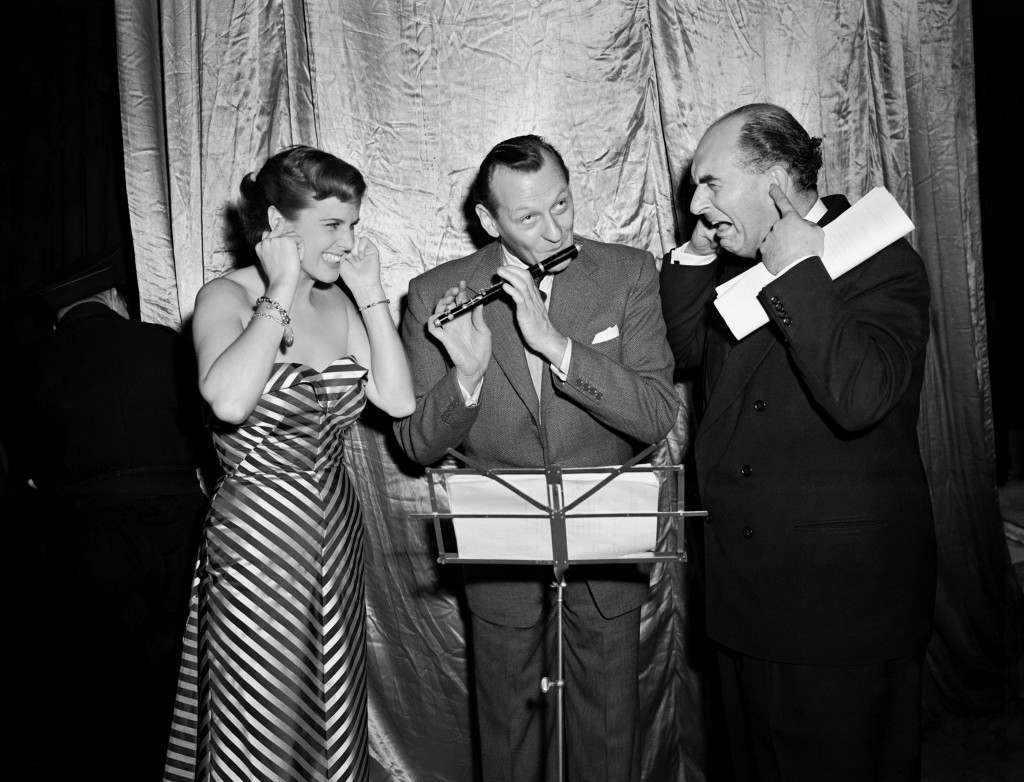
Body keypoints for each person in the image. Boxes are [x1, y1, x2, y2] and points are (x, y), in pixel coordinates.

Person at [659, 104, 936, 781]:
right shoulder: (736, 266)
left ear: (776, 181)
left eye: (711, 184)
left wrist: (798, 274)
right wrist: (699, 252)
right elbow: (684, 349)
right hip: (747, 598)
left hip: (835, 610)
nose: (696, 203)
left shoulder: (880, 258)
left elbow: (861, 396)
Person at [394, 134, 678, 781]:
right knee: (508, 736)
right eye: (528, 217)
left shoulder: (629, 272)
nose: (554, 230)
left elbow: (658, 414)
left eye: (563, 204)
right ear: (488, 220)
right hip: (500, 547)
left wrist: (557, 347)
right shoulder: (433, 293)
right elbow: (415, 444)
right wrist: (466, 377)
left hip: (607, 539)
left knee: (608, 734)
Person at [163, 145, 415, 782]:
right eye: (332, 225)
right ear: (277, 224)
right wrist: (278, 288)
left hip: (335, 532)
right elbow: (228, 400)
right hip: (258, 541)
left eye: (353, 224)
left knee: (333, 704)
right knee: (260, 715)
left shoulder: (337, 303)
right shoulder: (224, 296)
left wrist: (371, 295)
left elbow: (398, 399)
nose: (347, 241)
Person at [28, 265, 209, 780]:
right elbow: (205, 434)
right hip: (177, 528)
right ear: (113, 297)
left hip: (85, 538)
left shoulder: (32, 363)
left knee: (103, 679)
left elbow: (29, 472)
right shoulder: (165, 343)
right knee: (181, 673)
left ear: (59, 317)